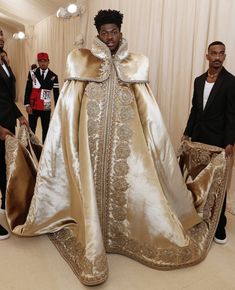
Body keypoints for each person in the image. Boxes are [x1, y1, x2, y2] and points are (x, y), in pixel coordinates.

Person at [4, 11, 228, 285]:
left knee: (134, 188)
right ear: (98, 33)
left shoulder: (136, 63)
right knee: (88, 184)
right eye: (105, 32)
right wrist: (66, 139)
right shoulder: (81, 60)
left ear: (121, 31)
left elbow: (149, 110)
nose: (109, 37)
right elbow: (69, 105)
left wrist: (154, 142)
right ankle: (92, 230)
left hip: (127, 146)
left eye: (114, 31)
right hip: (91, 143)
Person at [182, 41, 235, 244]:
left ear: (224, 56)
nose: (217, 57)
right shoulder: (198, 80)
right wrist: (187, 133)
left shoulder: (231, 82)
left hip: (219, 142)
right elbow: (195, 110)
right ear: (207, 56)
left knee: (218, 184)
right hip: (198, 139)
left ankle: (219, 225)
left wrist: (230, 141)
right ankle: (198, 218)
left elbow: (232, 114)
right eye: (214, 53)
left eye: (221, 54)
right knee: (197, 181)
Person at [0, 28, 28, 240]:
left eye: (1, 34)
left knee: (4, 165)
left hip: (8, 121)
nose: (1, 38)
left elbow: (7, 97)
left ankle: (4, 204)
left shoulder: (3, 61)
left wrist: (19, 115)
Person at [24, 52, 59, 143]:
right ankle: (31, 148)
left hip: (46, 108)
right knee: (31, 129)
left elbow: (56, 94)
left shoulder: (54, 76)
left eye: (45, 61)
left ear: (48, 62)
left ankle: (44, 150)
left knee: (46, 129)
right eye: (40, 61)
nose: (43, 63)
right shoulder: (32, 73)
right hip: (33, 106)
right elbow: (28, 89)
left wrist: (58, 109)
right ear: (38, 62)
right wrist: (27, 104)